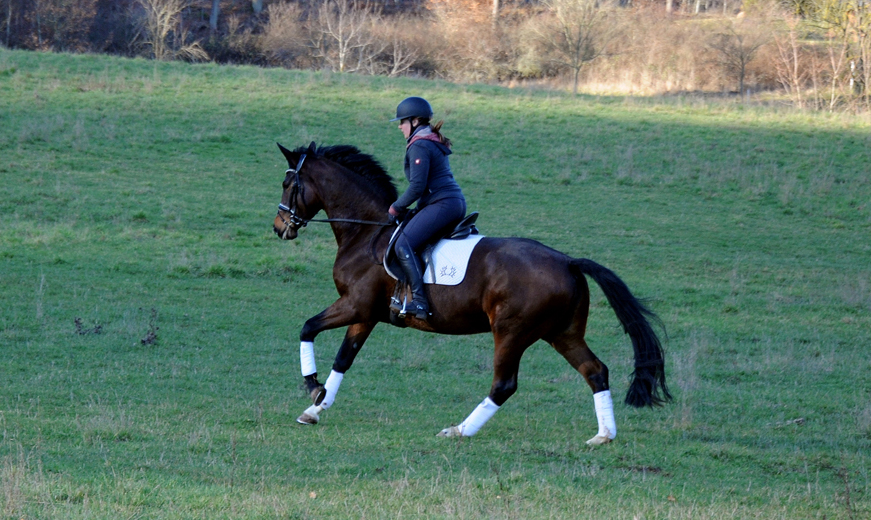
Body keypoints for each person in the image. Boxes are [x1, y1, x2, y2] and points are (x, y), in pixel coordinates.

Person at [388, 97, 467, 321]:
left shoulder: (420, 145)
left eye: (402, 121)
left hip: (442, 204)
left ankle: (420, 302)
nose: (399, 126)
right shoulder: (429, 141)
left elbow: (417, 187)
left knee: (403, 244)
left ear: (414, 121)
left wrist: (395, 207)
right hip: (451, 202)